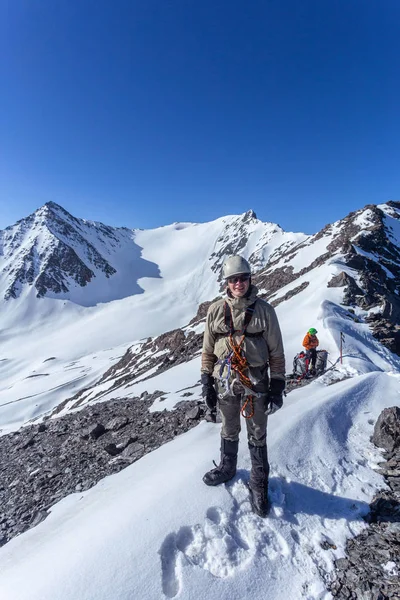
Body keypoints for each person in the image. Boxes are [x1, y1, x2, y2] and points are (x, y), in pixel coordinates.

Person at [201, 255, 285, 517]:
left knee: (257, 432)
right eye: (234, 279)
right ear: (227, 282)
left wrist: (278, 384)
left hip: (256, 382)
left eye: (243, 278)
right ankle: (228, 468)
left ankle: (259, 484)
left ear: (250, 279)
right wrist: (206, 381)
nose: (239, 283)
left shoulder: (265, 311)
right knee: (229, 427)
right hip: (224, 381)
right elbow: (207, 351)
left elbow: (277, 353)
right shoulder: (215, 310)